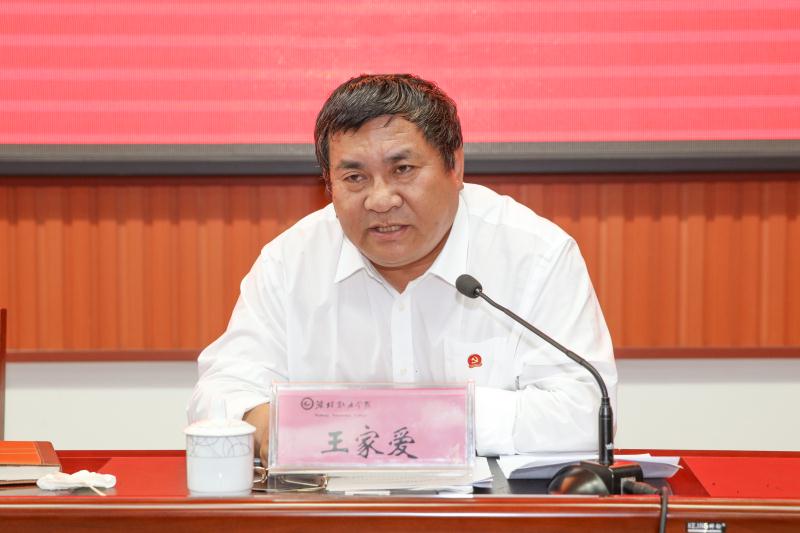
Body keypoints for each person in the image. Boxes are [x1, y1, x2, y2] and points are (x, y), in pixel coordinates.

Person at [188, 74, 616, 464]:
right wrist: (264, 424)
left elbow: (585, 413)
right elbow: (221, 392)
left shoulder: (535, 255)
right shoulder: (291, 262)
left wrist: (418, 419)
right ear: (329, 184)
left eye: (403, 170)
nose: (380, 200)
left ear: (455, 166)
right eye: (355, 178)